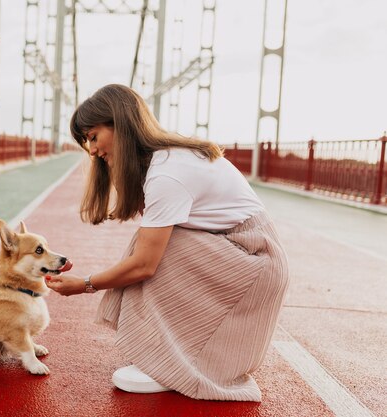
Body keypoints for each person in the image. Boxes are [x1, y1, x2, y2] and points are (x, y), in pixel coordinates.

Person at [45, 84, 289, 401]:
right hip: (238, 251)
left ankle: (166, 363)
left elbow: (144, 266)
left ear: (120, 123)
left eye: (93, 137)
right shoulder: (163, 162)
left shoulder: (166, 173)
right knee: (153, 244)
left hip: (255, 260)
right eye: (86, 142)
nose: (91, 150)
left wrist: (85, 284)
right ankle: (160, 353)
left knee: (152, 254)